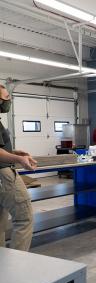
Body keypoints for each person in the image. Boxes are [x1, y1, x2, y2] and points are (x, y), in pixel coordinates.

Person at [0, 84, 37, 251]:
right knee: (24, 219)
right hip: (4, 176)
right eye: (6, 98)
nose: (9, 101)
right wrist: (19, 159)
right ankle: (18, 267)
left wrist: (15, 152)